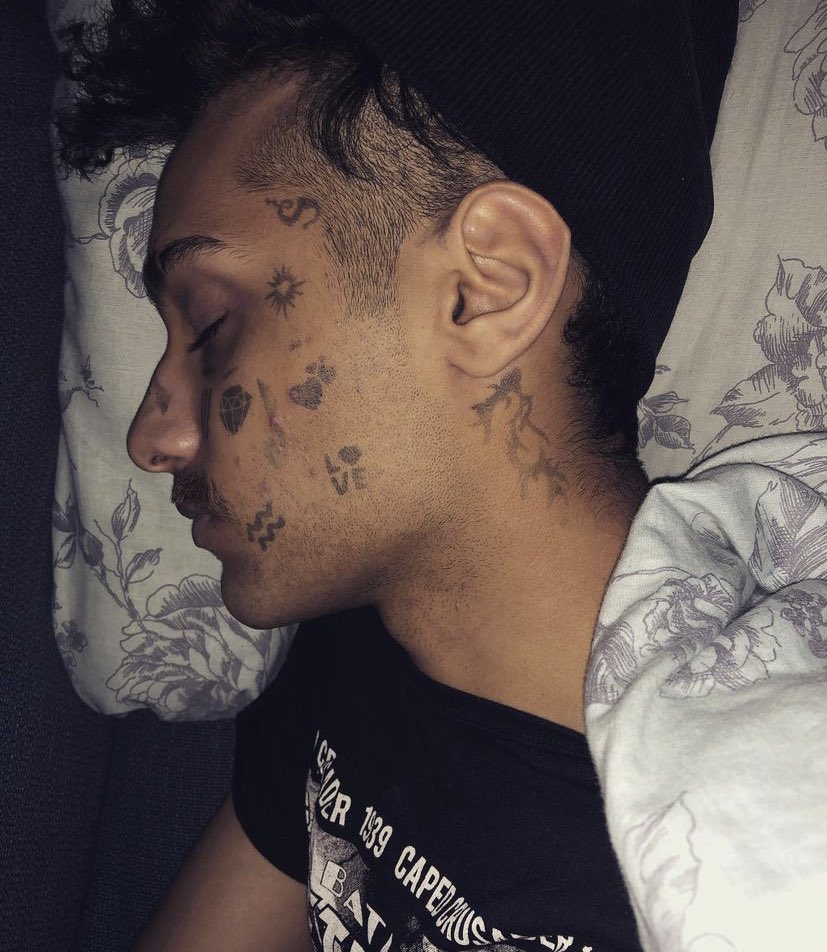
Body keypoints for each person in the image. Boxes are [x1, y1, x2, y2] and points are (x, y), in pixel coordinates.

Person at [56, 1, 738, 949]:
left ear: (483, 288)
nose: (151, 438)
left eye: (209, 323)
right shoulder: (357, 660)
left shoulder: (742, 862)